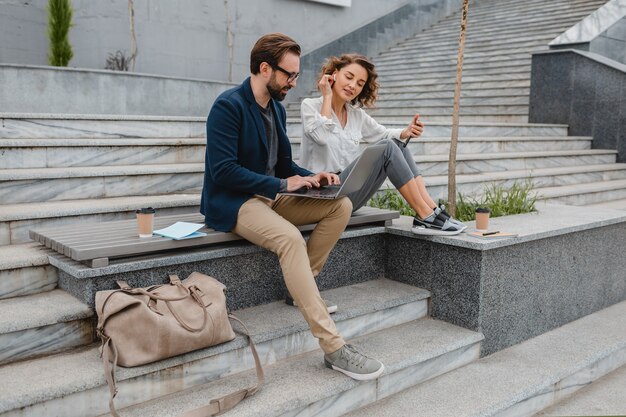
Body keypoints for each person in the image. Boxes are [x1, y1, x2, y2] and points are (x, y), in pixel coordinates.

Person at [200, 34, 384, 381]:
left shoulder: (277, 109)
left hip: (271, 195)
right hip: (236, 201)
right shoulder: (228, 106)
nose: (294, 83)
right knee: (290, 239)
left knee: (340, 206)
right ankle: (333, 347)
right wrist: (283, 185)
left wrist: (314, 176)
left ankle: (301, 288)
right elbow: (222, 170)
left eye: (297, 76)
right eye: (289, 75)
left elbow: (284, 166)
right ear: (265, 68)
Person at [299, 54, 466, 235]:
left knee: (397, 144)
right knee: (387, 147)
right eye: (349, 77)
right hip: (320, 197)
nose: (353, 85)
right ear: (334, 74)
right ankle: (426, 216)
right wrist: (327, 97)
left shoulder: (356, 115)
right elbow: (322, 136)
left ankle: (432, 210)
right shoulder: (310, 106)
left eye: (360, 83)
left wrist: (406, 132)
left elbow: (383, 134)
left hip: (347, 193)